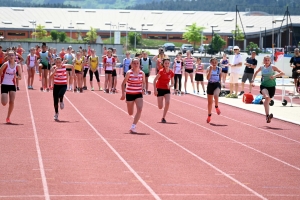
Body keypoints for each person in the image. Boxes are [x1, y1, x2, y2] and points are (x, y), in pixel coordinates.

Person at [251, 56, 284, 123]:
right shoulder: (261, 67)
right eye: (265, 60)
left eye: (268, 60)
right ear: (263, 61)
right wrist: (252, 81)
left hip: (272, 86)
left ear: (270, 61)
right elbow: (256, 72)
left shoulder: (273, 67)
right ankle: (267, 115)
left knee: (267, 100)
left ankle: (267, 117)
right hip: (263, 85)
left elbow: (282, 73)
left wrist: (274, 76)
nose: (266, 61)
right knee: (267, 97)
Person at [120, 58, 146, 134]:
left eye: (137, 63)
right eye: (134, 63)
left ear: (139, 64)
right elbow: (123, 83)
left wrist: (143, 89)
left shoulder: (142, 73)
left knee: (140, 109)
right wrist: (123, 94)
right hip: (130, 93)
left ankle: (133, 126)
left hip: (138, 94)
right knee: (130, 113)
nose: (136, 64)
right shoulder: (129, 73)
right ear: (131, 64)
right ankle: (128, 103)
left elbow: (144, 82)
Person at [0, 50, 22, 123]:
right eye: (10, 55)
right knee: (4, 103)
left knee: (12, 102)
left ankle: (8, 117)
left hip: (12, 85)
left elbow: (20, 77)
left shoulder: (17, 66)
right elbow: (0, 71)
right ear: (8, 57)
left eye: (13, 55)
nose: (11, 56)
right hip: (4, 84)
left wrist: (16, 76)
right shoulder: (5, 64)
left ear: (15, 56)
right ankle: (3, 98)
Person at [153, 58, 174, 123]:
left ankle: (163, 117)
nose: (167, 64)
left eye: (168, 63)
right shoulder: (161, 71)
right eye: (165, 63)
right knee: (160, 107)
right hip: (159, 88)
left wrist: (169, 86)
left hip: (167, 89)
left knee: (167, 102)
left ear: (169, 64)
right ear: (163, 64)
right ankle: (161, 108)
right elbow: (154, 80)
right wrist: (155, 90)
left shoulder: (171, 72)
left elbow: (173, 83)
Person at [206, 57, 222, 123]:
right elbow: (207, 78)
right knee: (210, 103)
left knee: (216, 95)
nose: (214, 63)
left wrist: (220, 84)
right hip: (210, 84)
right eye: (213, 62)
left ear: (217, 63)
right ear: (210, 63)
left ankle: (216, 106)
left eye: (215, 62)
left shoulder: (219, 69)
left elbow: (220, 77)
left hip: (217, 84)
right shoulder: (208, 68)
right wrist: (210, 71)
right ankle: (209, 115)